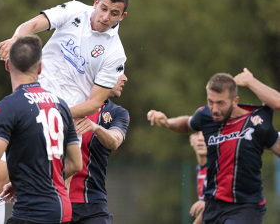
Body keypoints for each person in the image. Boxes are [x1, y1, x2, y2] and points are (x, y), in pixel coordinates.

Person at [0, 0, 130, 223]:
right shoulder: (74, 11)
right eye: (103, 8)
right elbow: (30, 26)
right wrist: (16, 38)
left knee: (54, 195)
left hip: (59, 123)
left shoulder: (115, 53)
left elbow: (94, 104)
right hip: (29, 102)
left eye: (113, 13)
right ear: (95, 2)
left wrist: (52, 111)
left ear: (122, 16)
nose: (105, 17)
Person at [147, 71, 280, 224]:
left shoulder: (256, 122)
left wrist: (250, 81)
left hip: (246, 207)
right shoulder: (205, 116)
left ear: (235, 101)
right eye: (211, 102)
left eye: (221, 103)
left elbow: (277, 103)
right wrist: (167, 123)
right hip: (213, 205)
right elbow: (187, 124)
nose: (215, 109)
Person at [0, 35, 82, 224]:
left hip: (33, 214)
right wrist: (27, 181)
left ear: (8, 65)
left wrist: (31, 183)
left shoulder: (8, 107)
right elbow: (76, 164)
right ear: (40, 67)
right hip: (63, 212)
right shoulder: (61, 105)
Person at [69, 73, 130, 224]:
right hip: (57, 201)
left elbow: (115, 141)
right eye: (119, 71)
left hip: (92, 205)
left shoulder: (117, 113)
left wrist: (97, 128)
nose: (125, 78)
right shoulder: (67, 101)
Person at [189, 131, 207, 224]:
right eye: (196, 133)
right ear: (191, 140)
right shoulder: (199, 169)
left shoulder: (220, 167)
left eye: (204, 132)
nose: (200, 138)